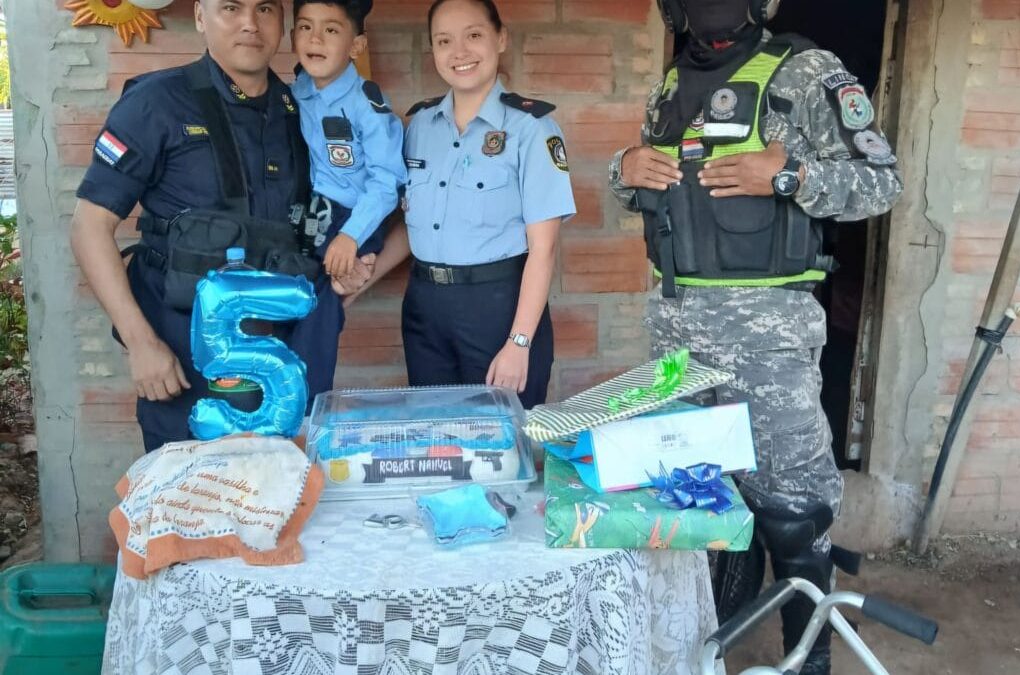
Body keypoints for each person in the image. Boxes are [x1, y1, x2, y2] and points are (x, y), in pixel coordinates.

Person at [608, 1, 902, 673]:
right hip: (678, 332)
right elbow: (643, 187)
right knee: (700, 499)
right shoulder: (671, 83)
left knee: (793, 511)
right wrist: (625, 168)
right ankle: (712, 646)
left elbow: (881, 182)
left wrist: (788, 175)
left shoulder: (805, 70)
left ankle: (809, 660)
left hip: (766, 334)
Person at [70, 0, 371, 452]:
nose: (250, 23)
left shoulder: (302, 111)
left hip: (278, 359)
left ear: (281, 23)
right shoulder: (156, 102)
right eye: (231, 7)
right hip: (182, 354)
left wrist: (352, 277)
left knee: (277, 498)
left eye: (265, 8)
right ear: (199, 17)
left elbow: (341, 210)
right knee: (188, 502)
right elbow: (89, 226)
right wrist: (141, 344)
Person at [348, 0, 576, 409]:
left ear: (500, 38)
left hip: (498, 307)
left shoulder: (531, 128)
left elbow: (544, 249)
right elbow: (412, 224)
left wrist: (519, 342)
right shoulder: (418, 125)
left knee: (502, 444)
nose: (460, 52)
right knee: (437, 439)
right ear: (433, 51)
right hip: (425, 309)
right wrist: (362, 280)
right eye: (444, 41)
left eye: (473, 35)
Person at [290, 0, 406, 277]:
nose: (315, 38)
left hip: (353, 217)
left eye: (330, 30)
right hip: (309, 211)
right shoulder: (294, 94)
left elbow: (388, 180)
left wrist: (350, 235)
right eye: (305, 26)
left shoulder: (365, 105)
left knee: (321, 304)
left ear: (356, 46)